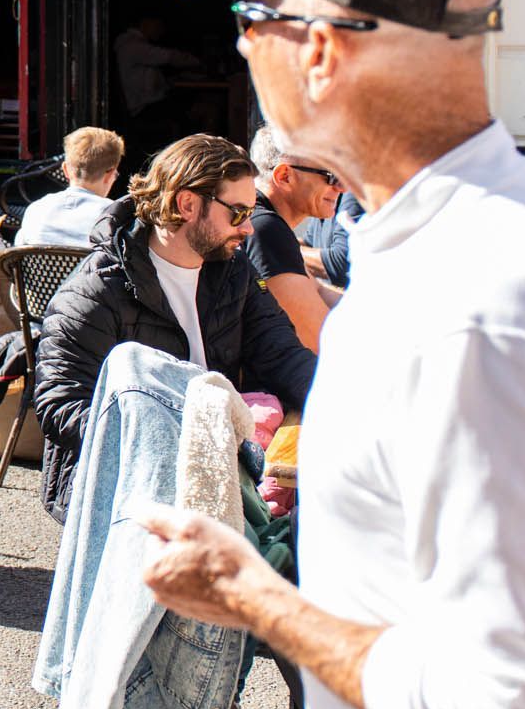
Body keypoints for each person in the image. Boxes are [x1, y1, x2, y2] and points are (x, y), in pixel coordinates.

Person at [138, 0, 525, 709]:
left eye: (250, 20)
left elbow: (499, 699)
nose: (239, 47)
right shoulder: (428, 246)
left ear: (319, 50)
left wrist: (253, 595)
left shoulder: (469, 306)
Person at [30, 133, 315, 523]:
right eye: (238, 213)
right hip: (118, 487)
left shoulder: (233, 273)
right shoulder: (96, 290)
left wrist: (343, 404)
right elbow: (59, 404)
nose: (248, 229)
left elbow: (282, 353)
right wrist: (178, 438)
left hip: (215, 471)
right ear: (187, 203)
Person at [244, 125, 344, 351]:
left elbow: (318, 291)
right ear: (285, 176)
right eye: (331, 175)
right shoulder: (265, 228)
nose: (342, 187)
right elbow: (323, 342)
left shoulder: (264, 222)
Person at [16, 127, 124, 248]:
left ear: (66, 170)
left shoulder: (36, 210)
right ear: (109, 175)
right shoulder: (116, 218)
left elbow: (17, 254)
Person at [112, 16, 200, 118]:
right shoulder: (133, 45)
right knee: (209, 109)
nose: (161, 30)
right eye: (158, 25)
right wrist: (197, 62)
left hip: (142, 105)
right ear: (146, 22)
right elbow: (170, 57)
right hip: (142, 108)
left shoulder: (128, 42)